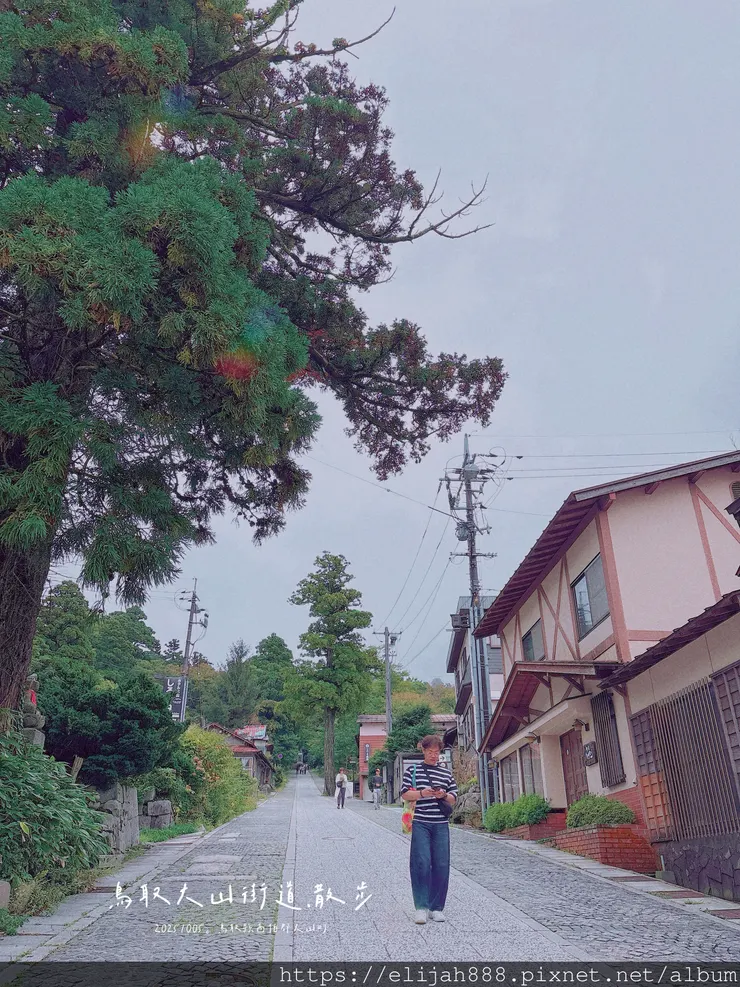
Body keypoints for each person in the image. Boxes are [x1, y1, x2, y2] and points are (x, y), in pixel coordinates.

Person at [399, 735, 457, 926]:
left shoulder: (445, 773)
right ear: (423, 751)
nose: (434, 755)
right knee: (421, 862)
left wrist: (443, 794)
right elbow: (405, 794)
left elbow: (453, 798)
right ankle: (421, 908)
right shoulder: (413, 770)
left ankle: (437, 907)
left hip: (441, 823)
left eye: (437, 752)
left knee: (441, 864)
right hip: (420, 822)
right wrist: (423, 793)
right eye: (430, 751)